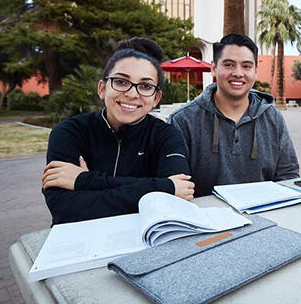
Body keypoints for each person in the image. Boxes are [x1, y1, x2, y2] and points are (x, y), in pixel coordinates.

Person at [42, 38, 194, 225]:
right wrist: (164, 187)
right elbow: (64, 209)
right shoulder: (69, 132)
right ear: (102, 89)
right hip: (79, 241)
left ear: (156, 98)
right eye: (121, 82)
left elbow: (177, 199)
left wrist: (84, 180)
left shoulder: (166, 135)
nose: (132, 94)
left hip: (147, 237)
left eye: (145, 86)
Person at [169, 34, 300, 197]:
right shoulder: (183, 120)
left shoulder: (273, 118)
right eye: (229, 65)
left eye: (246, 66)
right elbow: (178, 185)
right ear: (214, 68)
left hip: (265, 212)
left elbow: (288, 176)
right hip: (207, 218)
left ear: (255, 71)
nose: (238, 73)